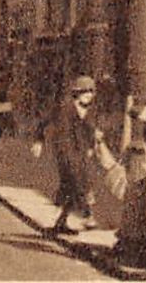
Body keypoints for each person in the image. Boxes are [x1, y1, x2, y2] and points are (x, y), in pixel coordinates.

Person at [33, 75, 102, 233]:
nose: (89, 95)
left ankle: (61, 222)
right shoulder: (65, 107)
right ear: (77, 93)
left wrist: (92, 144)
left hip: (81, 151)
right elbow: (44, 120)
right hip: (65, 151)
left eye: (91, 92)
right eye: (86, 92)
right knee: (79, 181)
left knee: (70, 187)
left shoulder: (90, 111)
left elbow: (89, 130)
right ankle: (87, 215)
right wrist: (38, 140)